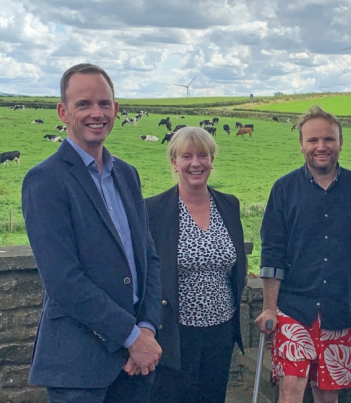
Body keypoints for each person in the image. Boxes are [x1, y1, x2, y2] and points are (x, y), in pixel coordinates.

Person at [21, 63, 162, 402]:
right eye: (83, 104)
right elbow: (64, 281)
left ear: (116, 109)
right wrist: (132, 337)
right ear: (63, 111)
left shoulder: (127, 175)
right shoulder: (45, 181)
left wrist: (147, 328)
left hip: (135, 363)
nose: (96, 113)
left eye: (104, 103)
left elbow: (149, 259)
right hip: (80, 368)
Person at [256, 105, 351, 403]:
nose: (320, 147)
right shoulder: (283, 189)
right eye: (313, 140)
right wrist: (269, 308)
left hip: (342, 308)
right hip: (294, 307)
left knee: (328, 392)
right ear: (301, 145)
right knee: (291, 388)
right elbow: (273, 253)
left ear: (340, 143)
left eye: (328, 139)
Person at [146, 127, 247, 403]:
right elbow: (147, 274)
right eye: (186, 156)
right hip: (176, 334)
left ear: (211, 160)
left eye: (203, 155)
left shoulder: (228, 204)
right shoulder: (154, 210)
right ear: (174, 162)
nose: (195, 163)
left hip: (221, 330)